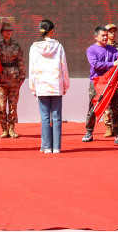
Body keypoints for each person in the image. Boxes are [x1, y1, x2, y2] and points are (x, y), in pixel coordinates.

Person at [83, 26, 118, 145]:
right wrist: (112, 64)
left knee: (115, 109)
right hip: (97, 83)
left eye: (106, 35)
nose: (105, 37)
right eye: (102, 35)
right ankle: (89, 132)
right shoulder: (91, 49)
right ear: (96, 37)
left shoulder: (113, 50)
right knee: (93, 108)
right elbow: (95, 64)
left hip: (111, 83)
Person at [29, 20, 70, 153]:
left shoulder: (34, 47)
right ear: (52, 31)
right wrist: (65, 84)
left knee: (45, 117)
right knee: (57, 117)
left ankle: (46, 146)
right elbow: (64, 66)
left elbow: (32, 68)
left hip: (41, 85)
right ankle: (56, 147)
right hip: (56, 84)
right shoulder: (58, 46)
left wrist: (33, 87)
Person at [0, 22, 25, 138]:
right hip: (1, 79)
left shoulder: (16, 46)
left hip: (14, 78)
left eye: (10, 30)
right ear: (2, 32)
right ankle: (4, 129)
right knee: (2, 105)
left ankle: (12, 129)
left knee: (13, 105)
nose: (8, 32)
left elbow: (20, 61)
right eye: (6, 30)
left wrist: (22, 76)